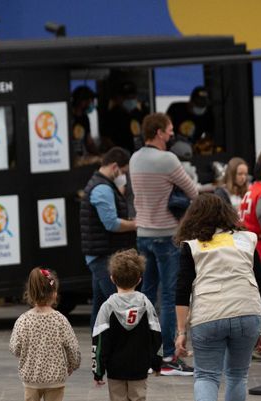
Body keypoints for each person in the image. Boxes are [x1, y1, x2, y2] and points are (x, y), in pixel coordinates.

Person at [173, 194, 261, 401]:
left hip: (210, 313)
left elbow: (181, 291)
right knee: (238, 376)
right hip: (248, 310)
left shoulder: (192, 246)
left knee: (206, 375)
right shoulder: (247, 239)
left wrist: (181, 332)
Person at [129, 113, 198, 376]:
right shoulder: (168, 160)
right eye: (169, 130)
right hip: (167, 234)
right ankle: (169, 356)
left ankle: (148, 355)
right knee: (169, 297)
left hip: (143, 234)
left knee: (146, 294)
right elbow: (192, 192)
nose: (172, 135)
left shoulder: (135, 158)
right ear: (159, 132)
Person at [92, 249, 162, 401]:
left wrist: (98, 369)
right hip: (139, 366)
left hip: (115, 369)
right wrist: (156, 362)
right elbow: (156, 335)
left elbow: (99, 340)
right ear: (140, 279)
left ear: (112, 278)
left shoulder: (107, 307)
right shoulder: (145, 303)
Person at [9, 268, 82, 401]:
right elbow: (73, 347)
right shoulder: (60, 320)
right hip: (56, 377)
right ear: (55, 293)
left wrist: (25, 355)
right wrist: (73, 365)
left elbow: (14, 347)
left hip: (31, 376)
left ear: (29, 294)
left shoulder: (23, 320)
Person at [80, 147, 137, 332]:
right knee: (120, 305)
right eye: (124, 171)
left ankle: (99, 349)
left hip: (101, 254)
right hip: (103, 256)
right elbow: (111, 224)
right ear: (115, 167)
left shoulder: (101, 184)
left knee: (100, 307)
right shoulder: (102, 188)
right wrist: (136, 224)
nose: (124, 176)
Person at [101, 81, 145, 152]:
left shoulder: (139, 113)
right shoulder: (110, 116)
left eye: (132, 97)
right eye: (127, 97)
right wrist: (119, 152)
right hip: (119, 154)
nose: (130, 99)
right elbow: (106, 138)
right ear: (118, 98)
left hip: (138, 151)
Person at [69, 85, 98, 161]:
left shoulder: (85, 118)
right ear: (81, 101)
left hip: (82, 158)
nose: (90, 104)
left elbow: (89, 142)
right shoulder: (68, 117)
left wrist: (99, 155)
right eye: (88, 101)